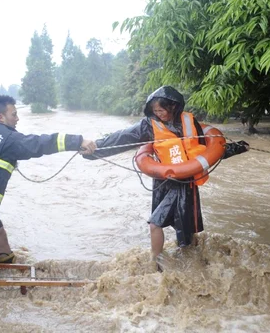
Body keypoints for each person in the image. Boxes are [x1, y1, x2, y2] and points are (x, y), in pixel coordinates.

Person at [0, 95, 96, 310]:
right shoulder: (9, 139)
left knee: (3, 244)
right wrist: (77, 141)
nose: (17, 118)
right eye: (13, 114)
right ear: (1, 117)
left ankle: (5, 268)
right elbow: (39, 143)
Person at [83, 86, 249, 270]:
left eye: (161, 110)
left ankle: (174, 263)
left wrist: (237, 148)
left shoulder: (189, 122)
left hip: (184, 183)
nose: (158, 114)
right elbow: (122, 138)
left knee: (171, 226)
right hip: (163, 181)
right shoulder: (148, 125)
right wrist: (95, 149)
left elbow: (209, 150)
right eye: (154, 111)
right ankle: (164, 262)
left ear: (173, 107)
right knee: (167, 224)